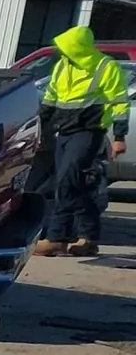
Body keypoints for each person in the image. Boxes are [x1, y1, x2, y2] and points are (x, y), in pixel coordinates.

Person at [37, 25, 129, 257]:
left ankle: (56, 238)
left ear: (78, 48)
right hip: (64, 132)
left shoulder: (105, 67)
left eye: (67, 48)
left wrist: (119, 137)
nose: (62, 52)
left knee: (66, 181)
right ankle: (88, 237)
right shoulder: (62, 66)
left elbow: (119, 103)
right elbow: (50, 97)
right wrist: (40, 126)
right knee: (73, 184)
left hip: (89, 132)